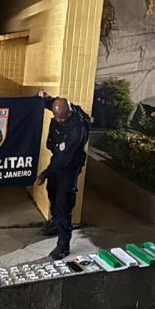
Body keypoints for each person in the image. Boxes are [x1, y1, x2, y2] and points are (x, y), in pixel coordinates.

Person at [35, 91, 91, 260]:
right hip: (58, 161)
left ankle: (63, 245)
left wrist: (45, 172)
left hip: (69, 166)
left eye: (62, 118)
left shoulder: (77, 128)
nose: (59, 121)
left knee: (63, 203)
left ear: (69, 113)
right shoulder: (63, 107)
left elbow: (64, 157)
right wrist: (43, 98)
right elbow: (53, 103)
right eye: (56, 117)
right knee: (52, 191)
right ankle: (55, 223)